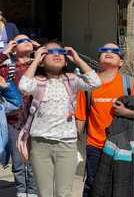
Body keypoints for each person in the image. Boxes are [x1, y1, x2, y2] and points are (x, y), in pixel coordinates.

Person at [18, 42, 101, 197]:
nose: (56, 54)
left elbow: (95, 82)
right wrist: (35, 61)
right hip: (40, 143)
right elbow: (24, 87)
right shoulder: (38, 81)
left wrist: (77, 59)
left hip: (67, 144)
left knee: (63, 193)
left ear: (66, 59)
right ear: (42, 58)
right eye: (50, 52)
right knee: (44, 192)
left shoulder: (72, 80)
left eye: (60, 52)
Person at [75, 43, 134, 197]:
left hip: (122, 147)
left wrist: (126, 112)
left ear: (121, 62)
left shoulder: (129, 84)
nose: (108, 52)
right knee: (93, 185)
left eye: (114, 51)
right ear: (99, 58)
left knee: (118, 186)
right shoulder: (87, 85)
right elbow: (80, 118)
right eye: (104, 50)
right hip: (95, 146)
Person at [0, 34, 39, 197]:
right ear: (14, 48)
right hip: (14, 119)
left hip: (37, 118)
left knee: (34, 158)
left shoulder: (40, 65)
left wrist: (39, 50)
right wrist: (5, 52)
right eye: (20, 41)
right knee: (18, 159)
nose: (27, 42)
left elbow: (57, 61)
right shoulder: (8, 66)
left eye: (29, 40)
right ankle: (21, 191)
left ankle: (33, 191)